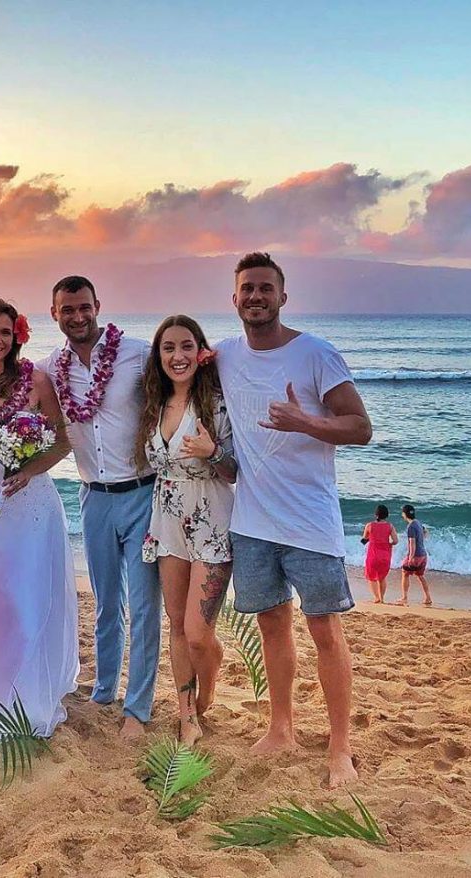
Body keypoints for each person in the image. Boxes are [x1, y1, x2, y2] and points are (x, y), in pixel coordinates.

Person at [0, 278, 162, 740]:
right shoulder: (43, 368)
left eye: (84, 307)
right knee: (94, 602)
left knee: (137, 604)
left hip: (129, 493)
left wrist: (29, 469)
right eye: (68, 309)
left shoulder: (136, 354)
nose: (77, 316)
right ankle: (102, 690)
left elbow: (61, 439)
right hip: (73, 498)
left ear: (97, 306)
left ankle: (136, 706)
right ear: (54, 314)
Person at [215, 252, 372, 788]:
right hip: (252, 522)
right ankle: (281, 727)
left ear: (283, 296)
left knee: (324, 629)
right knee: (272, 625)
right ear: (234, 299)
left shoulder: (316, 353)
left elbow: (360, 427)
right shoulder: (225, 355)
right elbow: (174, 363)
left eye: (266, 288)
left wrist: (305, 421)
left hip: (310, 523)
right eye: (248, 289)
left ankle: (340, 746)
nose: (256, 297)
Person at [0, 299, 79, 736]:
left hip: (32, 506)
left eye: (5, 332)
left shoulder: (35, 380)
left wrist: (28, 469)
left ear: (16, 337)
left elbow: (62, 442)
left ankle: (28, 698)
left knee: (26, 602)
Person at [135, 315, 236, 746]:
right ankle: (187, 715)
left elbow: (234, 472)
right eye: (168, 348)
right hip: (167, 520)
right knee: (177, 625)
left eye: (186, 346)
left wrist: (213, 453)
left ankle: (209, 679)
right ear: (158, 356)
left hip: (212, 521)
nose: (178, 356)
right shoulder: (153, 405)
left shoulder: (216, 404)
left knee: (199, 633)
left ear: (200, 352)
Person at [396, 504, 432, 607]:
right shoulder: (418, 523)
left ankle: (404, 597)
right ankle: (428, 597)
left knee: (405, 573)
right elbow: (426, 532)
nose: (402, 515)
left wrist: (410, 558)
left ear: (405, 514)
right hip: (423, 555)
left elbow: (412, 543)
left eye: (403, 513)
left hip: (416, 556)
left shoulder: (411, 526)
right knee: (420, 576)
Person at [361, 504, 397, 603]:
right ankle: (382, 598)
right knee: (382, 577)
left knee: (371, 577)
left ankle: (376, 597)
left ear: (376, 514)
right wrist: (388, 544)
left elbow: (364, 540)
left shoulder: (369, 525)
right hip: (385, 555)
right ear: (387, 515)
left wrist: (371, 538)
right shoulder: (390, 526)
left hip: (373, 555)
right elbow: (395, 541)